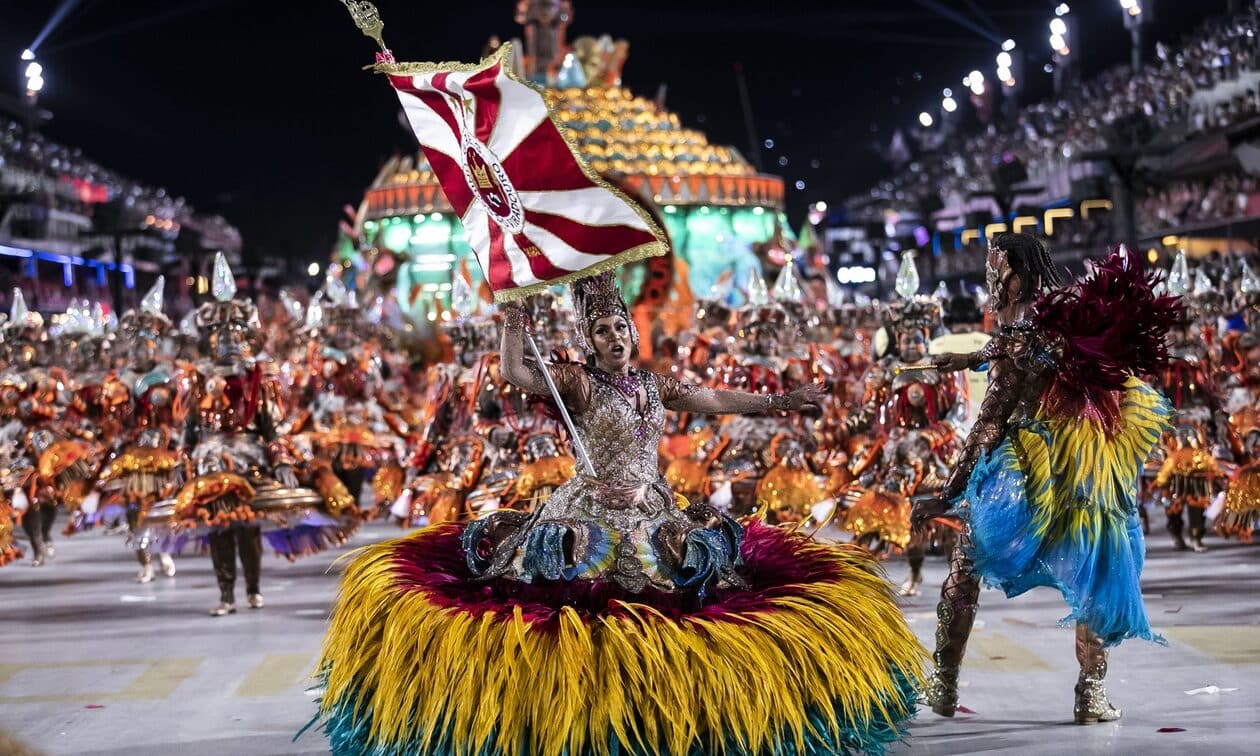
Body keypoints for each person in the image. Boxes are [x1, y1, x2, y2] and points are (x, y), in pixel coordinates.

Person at [312, 271, 924, 756]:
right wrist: (514, 317)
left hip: (653, 506)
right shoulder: (577, 384)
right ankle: (581, 705)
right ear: (589, 340)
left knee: (679, 593)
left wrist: (782, 401)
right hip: (587, 509)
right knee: (580, 599)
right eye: (601, 330)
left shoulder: (655, 386)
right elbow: (516, 371)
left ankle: (665, 702)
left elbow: (713, 398)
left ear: (632, 332)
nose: (614, 338)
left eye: (620, 328)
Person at [912, 234, 1179, 724]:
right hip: (1084, 468)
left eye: (996, 271)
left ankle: (944, 683)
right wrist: (975, 358)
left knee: (966, 567)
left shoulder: (1024, 331)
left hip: (1025, 472)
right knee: (1095, 573)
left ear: (1017, 277)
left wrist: (948, 493)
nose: (991, 281)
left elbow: (990, 421)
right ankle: (1090, 696)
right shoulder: (1064, 322)